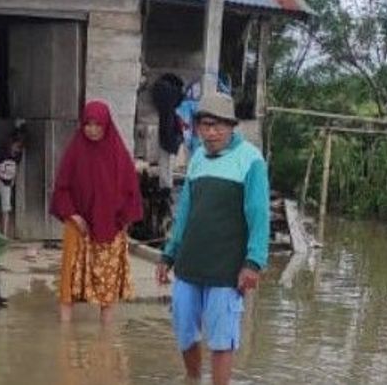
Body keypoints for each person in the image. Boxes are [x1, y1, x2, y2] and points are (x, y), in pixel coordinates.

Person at [155, 91, 270, 385]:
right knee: (183, 326)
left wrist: (254, 262)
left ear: (232, 126)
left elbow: (259, 215)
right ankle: (192, 379)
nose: (211, 132)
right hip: (191, 263)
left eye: (218, 125)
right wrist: (168, 254)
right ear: (197, 127)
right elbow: (185, 212)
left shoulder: (251, 161)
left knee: (221, 338)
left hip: (227, 269)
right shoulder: (197, 160)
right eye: (205, 125)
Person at [49, 100, 144, 324]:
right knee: (69, 282)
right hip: (78, 226)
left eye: (97, 124)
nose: (92, 129)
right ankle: (65, 333)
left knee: (107, 285)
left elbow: (130, 191)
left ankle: (106, 338)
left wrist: (122, 224)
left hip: (110, 227)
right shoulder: (75, 151)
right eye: (88, 124)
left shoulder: (118, 154)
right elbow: (62, 188)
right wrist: (73, 215)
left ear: (106, 125)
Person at [0, 130, 24, 237]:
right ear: (11, 144)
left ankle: (4, 233)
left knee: (6, 207)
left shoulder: (18, 155)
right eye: (16, 146)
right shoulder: (1, 152)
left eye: (19, 147)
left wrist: (13, 179)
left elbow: (15, 167)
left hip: (7, 182)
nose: (17, 149)